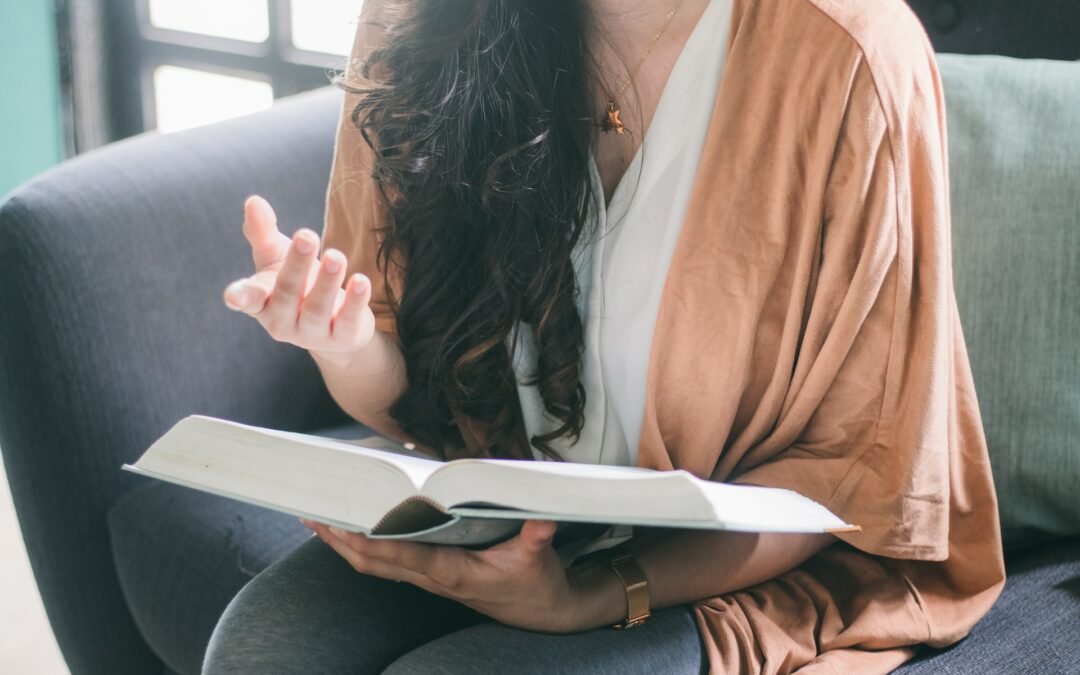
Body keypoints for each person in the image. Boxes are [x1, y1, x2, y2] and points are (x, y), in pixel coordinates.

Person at [206, 0, 1006, 672]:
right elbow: (417, 397)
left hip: (735, 565)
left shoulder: (851, 53)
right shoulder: (418, 19)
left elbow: (847, 478)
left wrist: (590, 595)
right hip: (499, 520)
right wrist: (341, 343)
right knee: (261, 649)